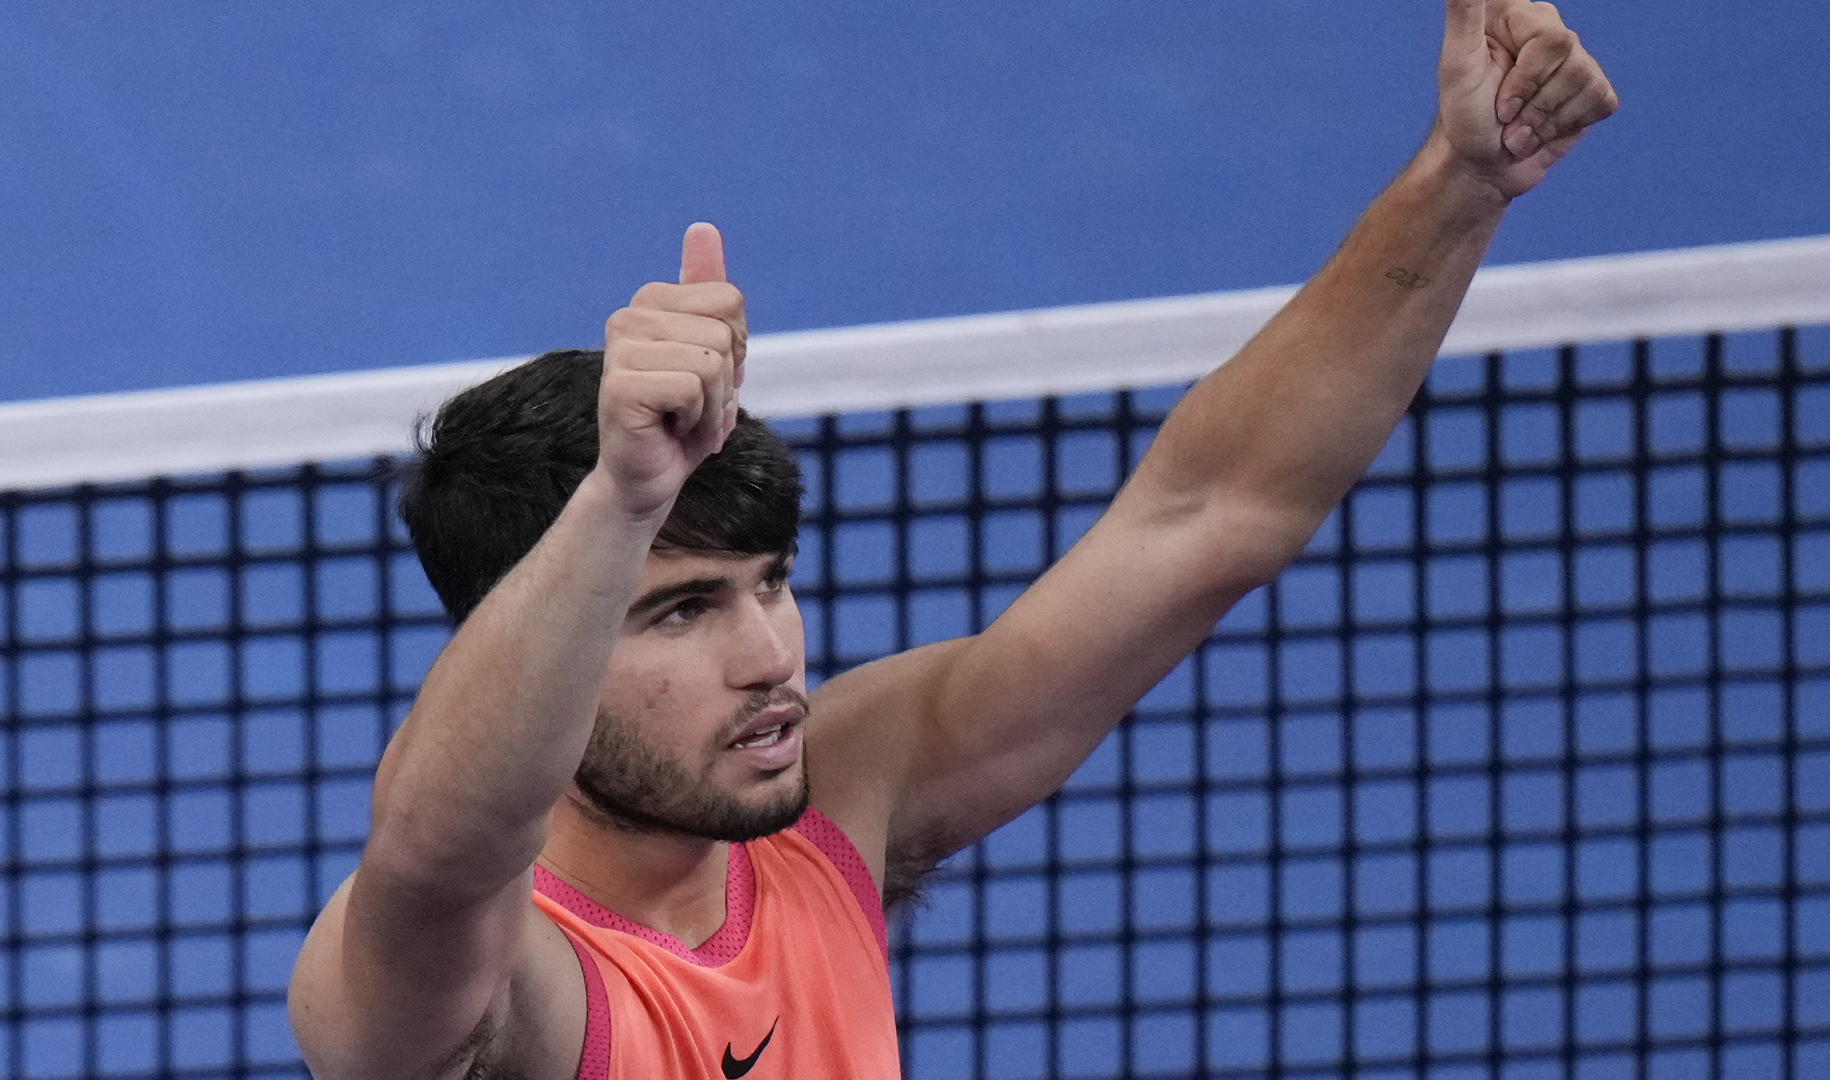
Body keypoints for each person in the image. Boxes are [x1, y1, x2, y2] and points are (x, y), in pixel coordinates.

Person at [289, 2, 1618, 1076]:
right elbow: (436, 848)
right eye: (679, 611)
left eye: (772, 585)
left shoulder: (838, 805)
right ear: (546, 638)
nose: (770, 658)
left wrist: (1462, 181)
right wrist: (622, 504)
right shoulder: (490, 988)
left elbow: (1210, 519)